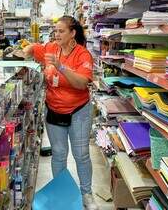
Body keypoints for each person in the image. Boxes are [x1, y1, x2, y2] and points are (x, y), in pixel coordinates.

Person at [22, 16, 97, 210]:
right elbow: (32, 48)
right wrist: (25, 51)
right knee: (58, 154)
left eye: (61, 31)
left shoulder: (83, 55)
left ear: (73, 33)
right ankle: (61, 194)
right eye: (55, 31)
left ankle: (86, 194)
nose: (57, 34)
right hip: (54, 109)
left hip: (79, 110)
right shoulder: (50, 48)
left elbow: (82, 83)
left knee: (81, 155)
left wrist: (60, 66)